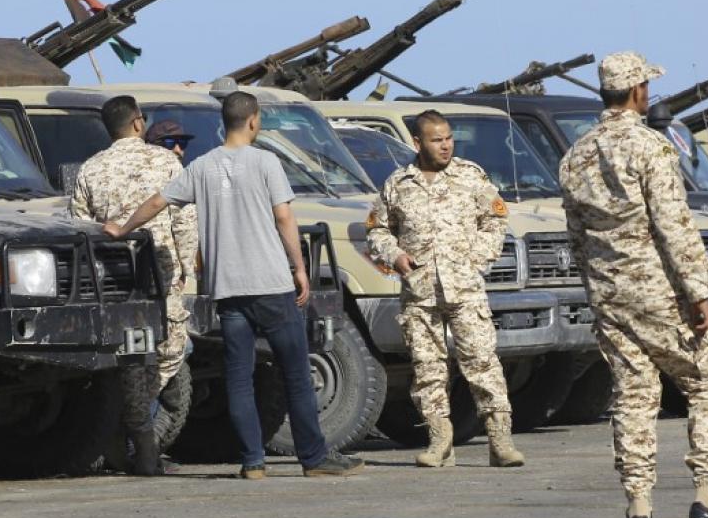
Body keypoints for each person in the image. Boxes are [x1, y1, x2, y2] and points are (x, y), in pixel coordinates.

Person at [105, 91, 362, 478]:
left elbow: (157, 202)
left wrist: (122, 228)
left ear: (223, 123)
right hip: (271, 283)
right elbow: (284, 218)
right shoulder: (265, 162)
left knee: (239, 378)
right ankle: (314, 458)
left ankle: (252, 462)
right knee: (295, 371)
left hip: (228, 289)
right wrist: (299, 267)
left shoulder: (202, 167)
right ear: (254, 121)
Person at [560, 51, 708, 518]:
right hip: (658, 289)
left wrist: (600, 294)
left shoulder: (575, 154)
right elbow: (673, 224)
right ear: (638, 93)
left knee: (633, 397)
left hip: (609, 294)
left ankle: (638, 511)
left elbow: (576, 237)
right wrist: (697, 292)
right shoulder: (650, 147)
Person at [365, 109, 524, 468]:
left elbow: (495, 219)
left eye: (449, 138)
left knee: (482, 362)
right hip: (420, 292)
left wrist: (477, 258)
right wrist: (396, 255)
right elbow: (377, 229)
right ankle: (439, 440)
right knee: (427, 368)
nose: (446, 146)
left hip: (465, 289)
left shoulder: (470, 177)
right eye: (437, 140)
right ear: (418, 143)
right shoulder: (398, 183)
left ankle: (500, 439)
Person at [69, 95, 196, 475]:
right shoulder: (165, 161)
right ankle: (139, 435)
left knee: (126, 358)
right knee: (169, 351)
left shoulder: (90, 169)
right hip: (163, 273)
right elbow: (185, 219)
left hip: (114, 281)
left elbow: (81, 227)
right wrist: (189, 264)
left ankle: (136, 440)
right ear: (138, 123)